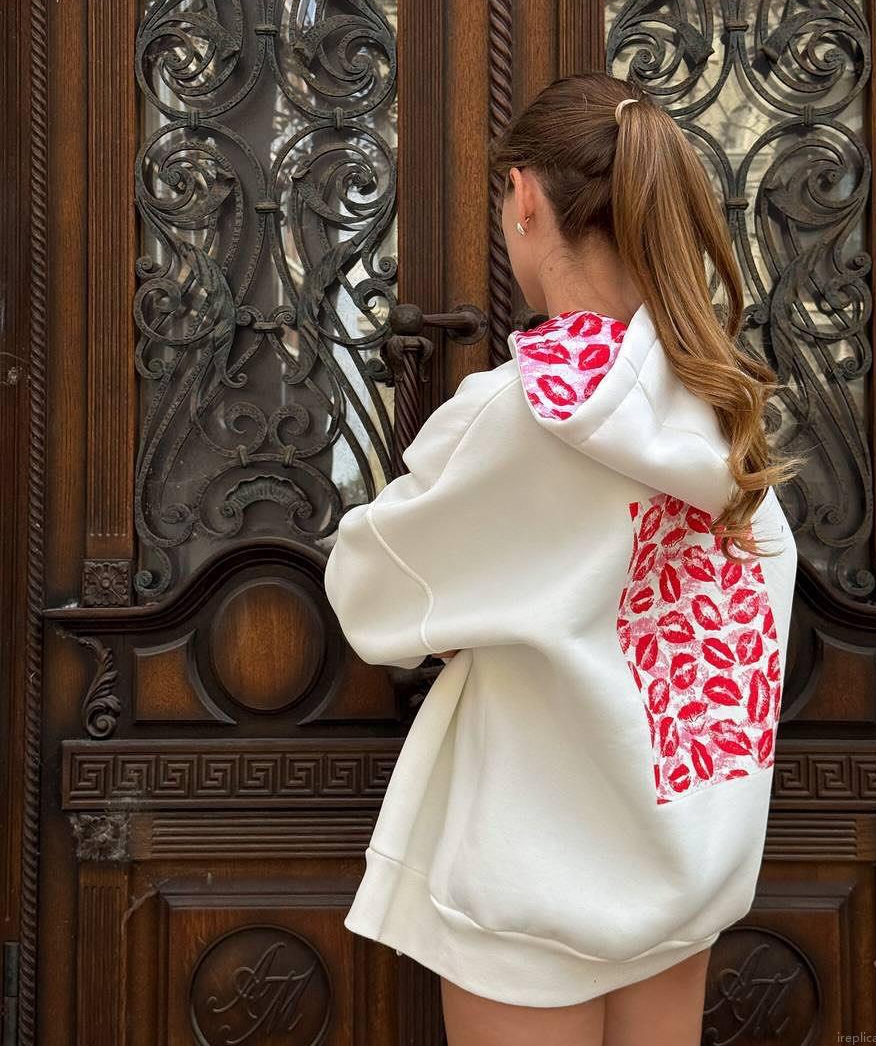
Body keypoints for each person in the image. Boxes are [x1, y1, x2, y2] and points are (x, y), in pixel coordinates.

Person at [322, 71, 803, 1046]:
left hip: (532, 867)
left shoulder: (514, 414)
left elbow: (372, 595)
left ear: (525, 197)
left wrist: (481, 608)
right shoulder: (719, 405)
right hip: (681, 861)